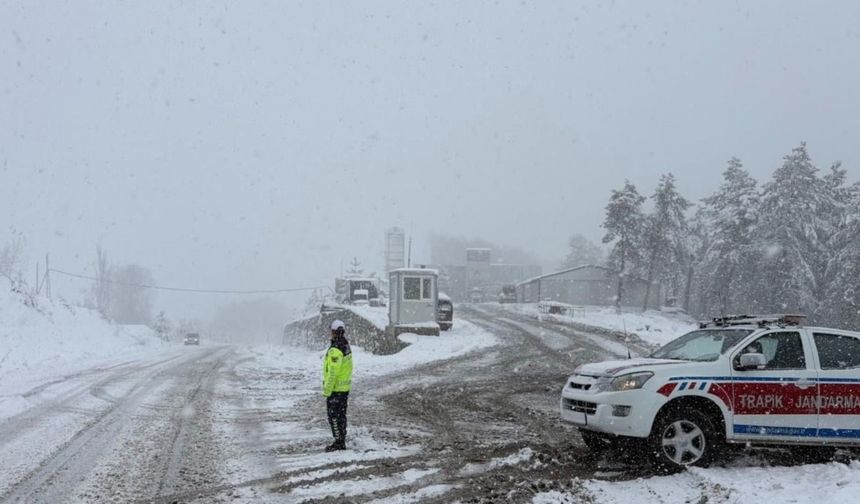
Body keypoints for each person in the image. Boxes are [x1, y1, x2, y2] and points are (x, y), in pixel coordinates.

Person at [323, 319, 353, 451]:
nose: (330, 333)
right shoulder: (345, 344)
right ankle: (341, 438)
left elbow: (333, 372)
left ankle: (339, 442)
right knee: (341, 415)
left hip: (336, 389)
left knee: (334, 417)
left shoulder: (335, 349)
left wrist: (327, 390)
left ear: (334, 332)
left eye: (331, 331)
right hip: (344, 388)